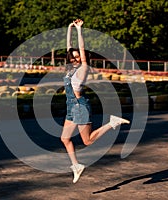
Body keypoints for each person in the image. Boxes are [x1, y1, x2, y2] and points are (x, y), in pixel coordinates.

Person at [61, 19, 130, 183]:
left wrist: (79, 30)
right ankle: (76, 166)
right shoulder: (71, 69)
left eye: (78, 57)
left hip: (80, 107)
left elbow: (81, 49)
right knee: (64, 139)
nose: (75, 59)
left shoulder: (83, 69)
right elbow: (69, 48)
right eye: (73, 57)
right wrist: (69, 28)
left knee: (87, 140)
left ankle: (111, 123)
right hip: (71, 106)